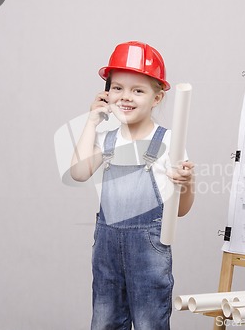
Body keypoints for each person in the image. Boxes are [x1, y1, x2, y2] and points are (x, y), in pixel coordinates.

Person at [70, 41, 195, 330]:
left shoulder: (167, 142)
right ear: (106, 92)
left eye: (138, 90)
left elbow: (181, 211)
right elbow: (78, 172)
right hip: (107, 252)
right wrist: (92, 121)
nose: (125, 97)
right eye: (118, 88)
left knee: (150, 322)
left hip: (148, 252)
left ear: (157, 97)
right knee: (105, 321)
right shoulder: (106, 138)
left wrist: (187, 182)